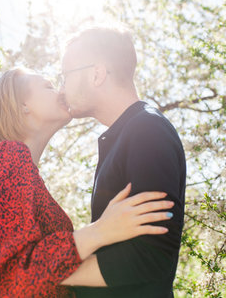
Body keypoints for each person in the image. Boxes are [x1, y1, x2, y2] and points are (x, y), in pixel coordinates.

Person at [0, 68, 176, 297]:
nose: (60, 91)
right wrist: (100, 231)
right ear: (22, 106)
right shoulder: (9, 156)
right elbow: (8, 281)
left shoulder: (26, 171)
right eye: (48, 86)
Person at [59, 27, 186, 297]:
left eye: (65, 75)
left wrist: (55, 273)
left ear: (97, 73)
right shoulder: (128, 132)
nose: (62, 88)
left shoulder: (146, 130)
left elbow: (153, 253)